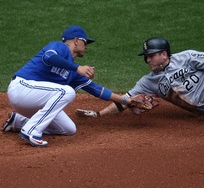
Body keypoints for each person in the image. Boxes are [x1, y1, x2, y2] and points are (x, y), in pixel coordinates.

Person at [2, 25, 141, 147]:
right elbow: (49, 57)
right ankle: (32, 130)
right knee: (67, 92)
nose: (86, 47)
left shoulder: (73, 72)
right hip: (21, 88)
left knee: (68, 129)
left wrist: (126, 101)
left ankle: (18, 121)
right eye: (85, 42)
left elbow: (96, 90)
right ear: (76, 40)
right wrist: (77, 68)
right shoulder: (60, 47)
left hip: (33, 101)